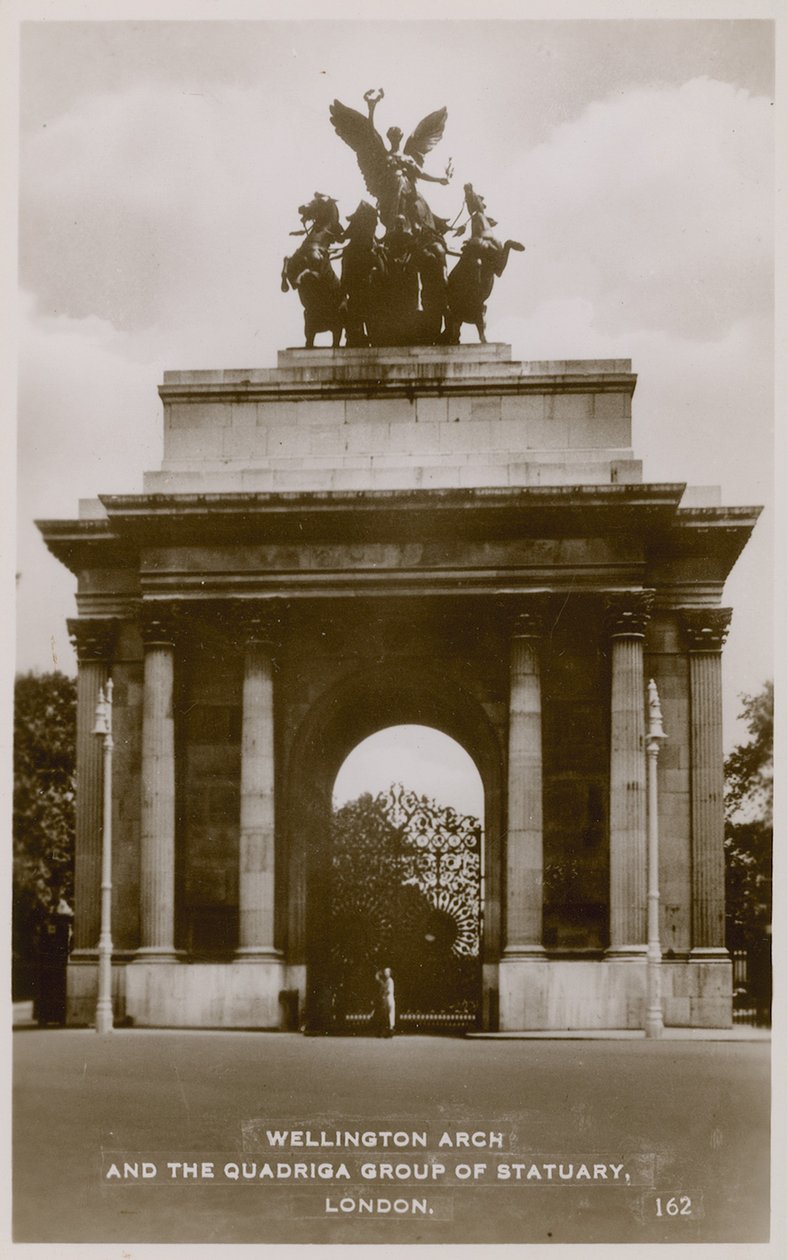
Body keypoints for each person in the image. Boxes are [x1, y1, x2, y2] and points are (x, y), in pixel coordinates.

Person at [375, 966, 396, 1037]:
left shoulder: (390, 980)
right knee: (387, 1015)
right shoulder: (387, 981)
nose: (385, 973)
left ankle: (390, 1031)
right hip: (386, 999)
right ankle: (387, 1031)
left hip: (389, 999)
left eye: (386, 972)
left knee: (389, 1014)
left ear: (390, 973)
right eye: (384, 972)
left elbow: (388, 991)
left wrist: (383, 995)